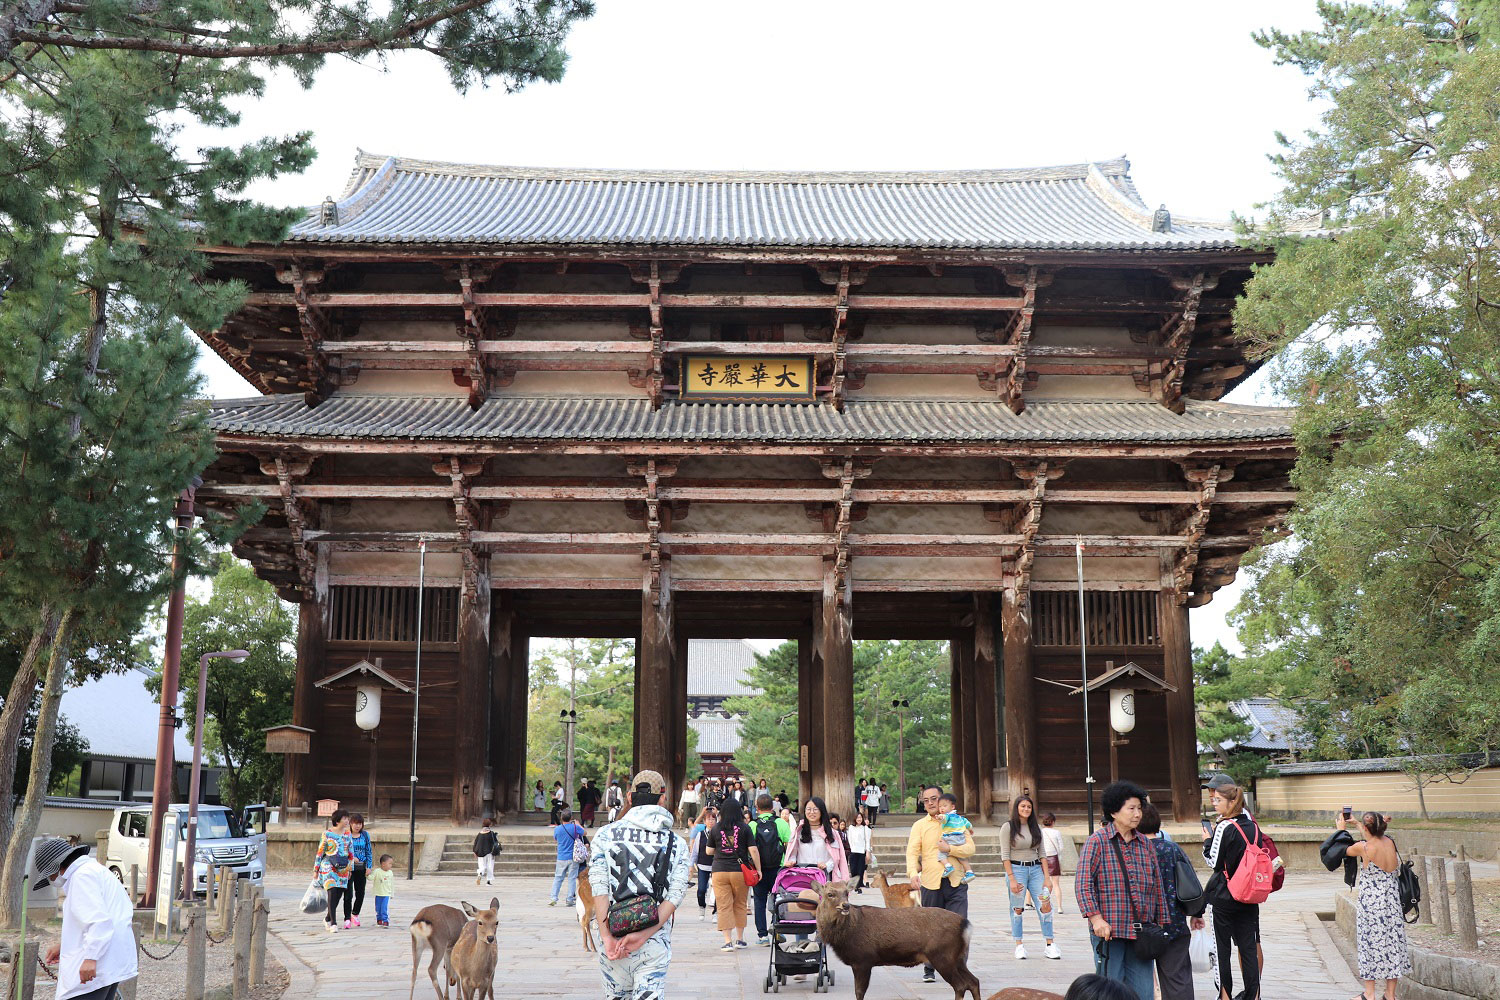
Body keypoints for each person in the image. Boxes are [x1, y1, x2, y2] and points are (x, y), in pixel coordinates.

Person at [587, 769, 691, 1000]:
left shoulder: (605, 835)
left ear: (630, 797)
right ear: (662, 798)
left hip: (613, 932)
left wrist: (606, 937)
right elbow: (675, 894)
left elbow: (599, 887)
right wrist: (644, 935)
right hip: (654, 937)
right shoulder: (676, 843)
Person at [1075, 780, 1170, 1000]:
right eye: (1132, 808)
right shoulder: (1097, 842)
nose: (1138, 814)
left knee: (1143, 992)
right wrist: (1096, 919)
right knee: (1110, 992)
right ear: (1114, 812)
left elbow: (1157, 886)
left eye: (1139, 808)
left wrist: (1161, 922)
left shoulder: (1145, 844)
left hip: (1141, 932)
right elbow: (1083, 883)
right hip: (1109, 931)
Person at [32, 836, 137, 1000]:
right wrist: (64, 945)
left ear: (57, 867)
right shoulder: (95, 870)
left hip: (98, 962)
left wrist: (91, 958)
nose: (50, 880)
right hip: (112, 958)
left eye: (49, 875)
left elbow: (98, 921)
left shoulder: (82, 877)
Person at [1200, 773, 1263, 995]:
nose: (1214, 803)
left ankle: (1225, 995)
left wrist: (1207, 840)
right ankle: (1254, 995)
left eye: (1217, 800)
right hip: (1249, 895)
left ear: (1231, 801)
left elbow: (1213, 861)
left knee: (1222, 950)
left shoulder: (1225, 827)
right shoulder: (1254, 827)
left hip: (1224, 897)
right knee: (1248, 949)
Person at [906, 784, 975, 984]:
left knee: (959, 925)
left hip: (956, 881)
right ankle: (929, 967)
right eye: (925, 800)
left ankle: (960, 966)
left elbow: (970, 848)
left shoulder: (957, 820)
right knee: (931, 928)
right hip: (930, 881)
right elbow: (912, 851)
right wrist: (912, 873)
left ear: (941, 799)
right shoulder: (919, 825)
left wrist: (950, 849)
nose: (929, 803)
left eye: (933, 799)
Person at [1340, 810, 1409, 1000]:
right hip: (1392, 903)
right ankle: (1390, 994)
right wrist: (1357, 824)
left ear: (1367, 828)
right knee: (1392, 944)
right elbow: (1375, 837)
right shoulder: (1390, 842)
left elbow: (1343, 850)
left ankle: (1369, 994)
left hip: (1372, 905)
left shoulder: (1363, 848)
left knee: (1369, 944)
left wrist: (1341, 829)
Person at [1139, 802, 1201, 1000]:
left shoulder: (1134, 851)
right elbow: (1191, 883)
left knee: (1138, 980)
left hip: (1141, 926)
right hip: (1174, 924)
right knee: (1178, 981)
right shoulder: (1172, 849)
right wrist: (1196, 913)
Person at [1001, 794, 1059, 960]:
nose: (1026, 809)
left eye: (1028, 807)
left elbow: (1042, 854)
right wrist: (1011, 878)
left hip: (1035, 870)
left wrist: (1047, 878)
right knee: (1017, 908)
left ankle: (1050, 944)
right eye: (1022, 806)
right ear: (1017, 808)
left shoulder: (1036, 828)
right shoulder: (1008, 827)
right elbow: (1005, 855)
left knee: (1045, 904)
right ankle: (1019, 945)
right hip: (1016, 869)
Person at [706, 795, 760, 950]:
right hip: (739, 871)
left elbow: (709, 851)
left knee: (723, 905)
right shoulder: (745, 828)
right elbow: (753, 851)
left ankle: (727, 941)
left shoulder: (716, 828)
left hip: (719, 871)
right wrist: (759, 869)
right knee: (740, 904)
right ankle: (740, 939)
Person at [751, 793, 791, 943]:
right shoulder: (781, 823)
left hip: (759, 869)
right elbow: (789, 843)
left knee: (759, 902)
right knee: (778, 900)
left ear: (757, 808)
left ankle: (762, 936)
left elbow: (749, 848)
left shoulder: (753, 825)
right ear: (773, 807)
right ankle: (777, 929)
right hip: (778, 869)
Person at [784, 795, 850, 881]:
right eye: (808, 809)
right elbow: (793, 854)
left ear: (822, 811)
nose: (811, 812)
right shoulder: (798, 832)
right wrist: (791, 862)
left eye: (815, 809)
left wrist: (827, 866)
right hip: (802, 878)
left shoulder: (831, 833)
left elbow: (835, 857)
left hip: (823, 878)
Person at [314, 809, 355, 933]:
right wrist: (316, 869)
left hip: (343, 867)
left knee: (339, 893)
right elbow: (320, 852)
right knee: (332, 890)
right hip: (328, 865)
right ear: (337, 821)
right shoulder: (327, 834)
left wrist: (350, 869)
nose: (347, 821)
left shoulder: (348, 835)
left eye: (347, 818)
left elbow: (351, 853)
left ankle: (327, 918)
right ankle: (333, 923)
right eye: (345, 819)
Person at [550, 807, 589, 907]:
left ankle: (553, 897)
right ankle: (569, 899)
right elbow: (585, 833)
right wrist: (578, 825)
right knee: (572, 878)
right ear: (571, 817)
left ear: (561, 818)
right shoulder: (575, 828)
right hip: (573, 857)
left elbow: (556, 838)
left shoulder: (557, 829)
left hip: (561, 856)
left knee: (558, 877)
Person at [938, 793, 978, 885]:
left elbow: (944, 819)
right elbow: (967, 824)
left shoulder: (947, 816)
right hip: (960, 838)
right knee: (961, 856)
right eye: (940, 806)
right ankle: (969, 871)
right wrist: (970, 829)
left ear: (952, 807)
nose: (942, 808)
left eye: (944, 806)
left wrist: (941, 817)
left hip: (950, 837)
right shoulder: (960, 817)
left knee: (940, 853)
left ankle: (948, 866)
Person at [689, 805, 717, 920]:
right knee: (701, 890)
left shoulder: (718, 833)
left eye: (713, 819)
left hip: (716, 866)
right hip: (702, 865)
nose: (711, 821)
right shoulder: (700, 834)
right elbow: (695, 851)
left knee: (718, 891)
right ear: (704, 821)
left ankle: (716, 912)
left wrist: (717, 813)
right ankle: (702, 906)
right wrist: (691, 865)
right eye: (708, 819)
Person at [347, 812, 372, 927]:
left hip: (361, 867)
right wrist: (351, 858)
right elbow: (343, 851)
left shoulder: (365, 835)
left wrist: (369, 866)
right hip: (349, 868)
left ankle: (355, 914)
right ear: (350, 824)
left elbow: (368, 851)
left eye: (359, 823)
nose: (357, 826)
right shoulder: (346, 835)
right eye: (355, 823)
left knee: (360, 892)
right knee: (348, 893)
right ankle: (347, 917)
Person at [1040, 811, 1065, 913]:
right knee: (1056, 884)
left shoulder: (1040, 832)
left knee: (1045, 884)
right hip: (1053, 858)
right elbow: (1061, 847)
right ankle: (1059, 907)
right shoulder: (1056, 832)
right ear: (1053, 822)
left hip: (1043, 858)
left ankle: (1045, 904)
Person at [846, 810, 872, 891]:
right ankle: (855, 884)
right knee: (853, 869)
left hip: (861, 851)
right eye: (858, 817)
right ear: (855, 819)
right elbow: (849, 839)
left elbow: (867, 841)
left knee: (860, 869)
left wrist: (868, 852)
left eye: (860, 818)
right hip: (853, 851)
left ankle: (858, 886)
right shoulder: (851, 828)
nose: (859, 819)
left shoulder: (865, 828)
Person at [473, 816, 499, 886]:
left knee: (482, 866)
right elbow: (495, 843)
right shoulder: (491, 833)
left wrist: (474, 851)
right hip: (490, 852)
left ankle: (480, 873)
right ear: (490, 824)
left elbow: (476, 843)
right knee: (490, 866)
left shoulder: (480, 833)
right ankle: (488, 881)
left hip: (480, 852)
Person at [371, 854, 395, 927]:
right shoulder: (377, 871)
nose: (391, 865)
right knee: (378, 908)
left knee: (384, 907)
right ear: (383, 864)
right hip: (378, 893)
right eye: (389, 863)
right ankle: (379, 919)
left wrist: (392, 893)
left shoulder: (390, 873)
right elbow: (371, 878)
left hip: (386, 894)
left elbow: (391, 884)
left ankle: (385, 920)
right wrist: (367, 874)